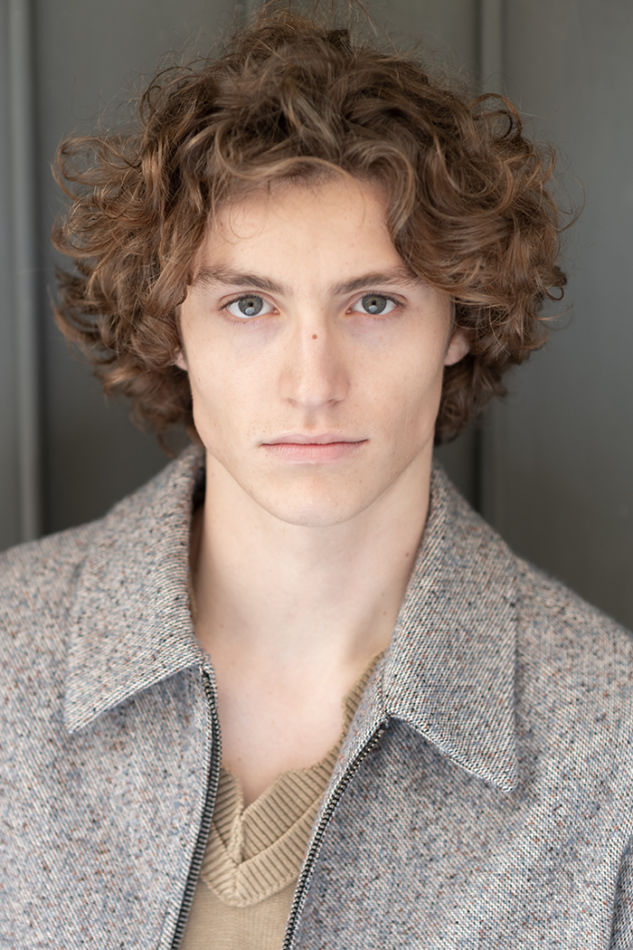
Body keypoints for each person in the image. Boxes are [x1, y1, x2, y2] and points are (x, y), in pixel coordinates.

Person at [1, 8, 632, 948]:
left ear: (458, 323)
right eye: (247, 305)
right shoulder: (10, 648)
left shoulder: (609, 748)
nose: (312, 383)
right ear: (173, 330)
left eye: (373, 303)